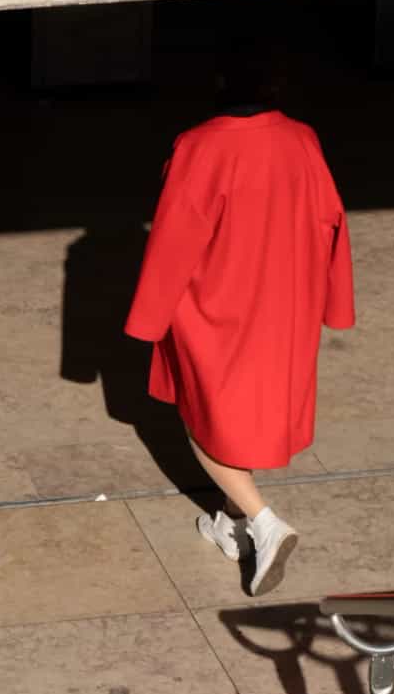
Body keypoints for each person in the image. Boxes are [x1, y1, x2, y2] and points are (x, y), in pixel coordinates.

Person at [124, 47, 355, 595]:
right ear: (277, 85)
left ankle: (264, 522)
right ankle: (230, 527)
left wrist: (148, 318)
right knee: (244, 416)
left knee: (205, 420)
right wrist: (335, 299)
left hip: (218, 305)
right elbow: (332, 218)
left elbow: (175, 239)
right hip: (285, 300)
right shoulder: (301, 138)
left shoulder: (200, 146)